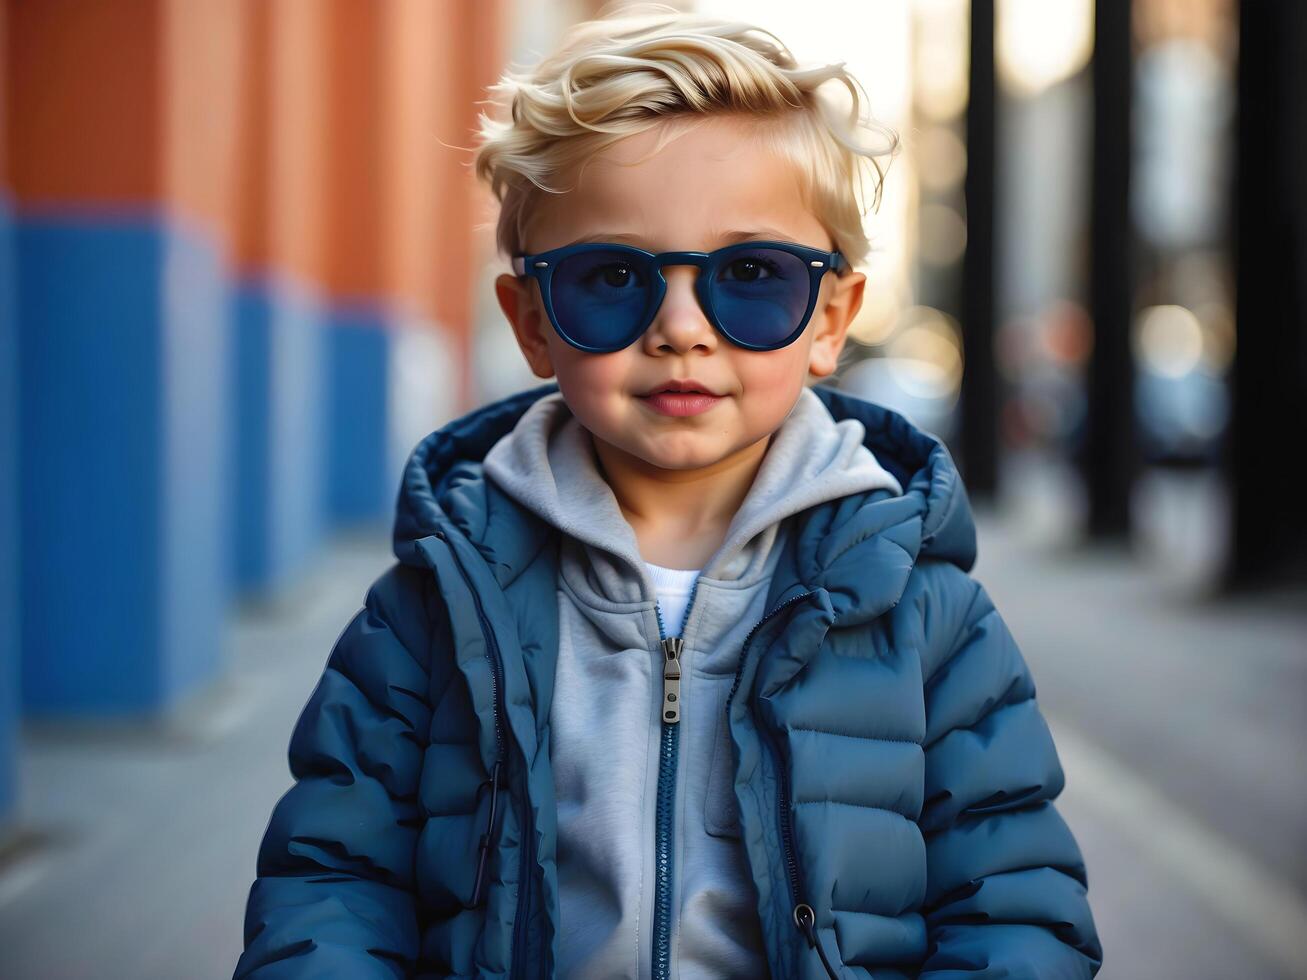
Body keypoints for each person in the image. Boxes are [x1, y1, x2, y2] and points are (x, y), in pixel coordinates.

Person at [234, 7, 1103, 979]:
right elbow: (333, 881)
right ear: (530, 321)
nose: (681, 327)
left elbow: (1014, 908)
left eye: (751, 276)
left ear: (829, 321)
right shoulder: (435, 603)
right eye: (611, 276)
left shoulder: (925, 614)